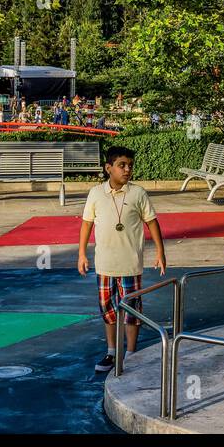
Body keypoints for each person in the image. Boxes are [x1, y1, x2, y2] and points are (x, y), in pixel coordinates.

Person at [77, 147, 166, 373]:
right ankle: (112, 352)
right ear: (109, 168)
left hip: (130, 264)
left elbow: (152, 222)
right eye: (122, 165)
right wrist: (81, 254)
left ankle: (131, 353)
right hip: (105, 264)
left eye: (130, 165)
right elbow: (86, 223)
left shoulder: (138, 193)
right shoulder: (96, 193)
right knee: (107, 309)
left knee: (132, 310)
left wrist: (160, 252)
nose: (127, 169)